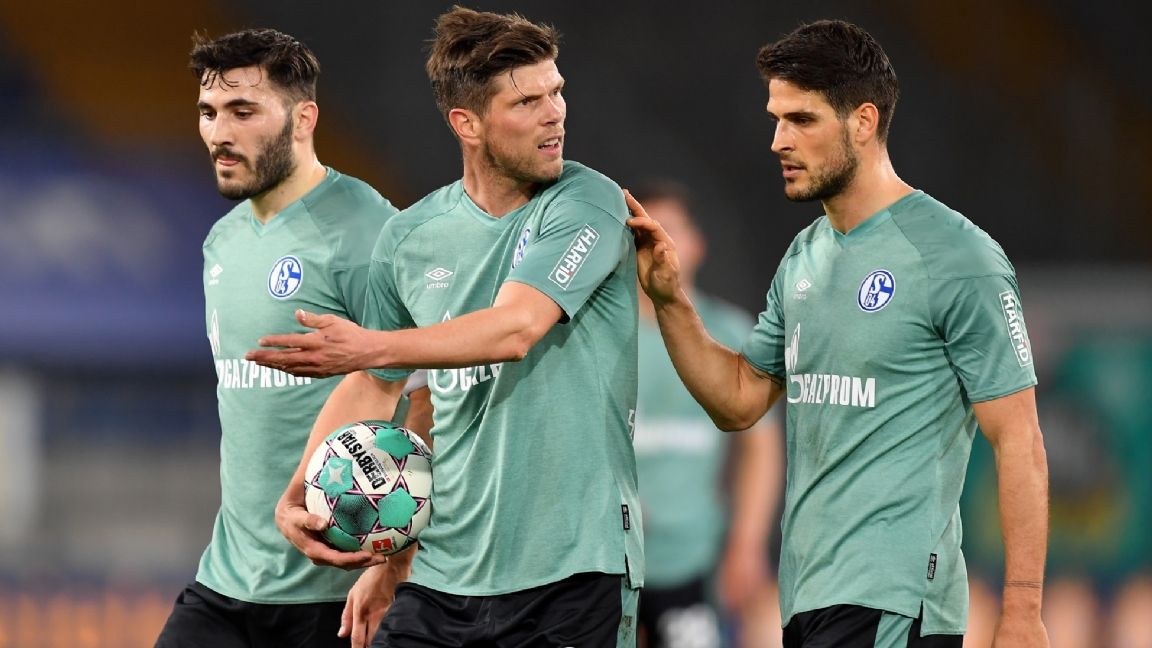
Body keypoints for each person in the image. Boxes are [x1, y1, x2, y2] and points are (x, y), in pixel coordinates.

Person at [627, 19, 1050, 648]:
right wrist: (669, 301)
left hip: (895, 599)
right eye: (776, 119)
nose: (778, 140)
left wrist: (1022, 610)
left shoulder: (957, 257)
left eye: (801, 119)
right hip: (809, 597)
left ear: (863, 122)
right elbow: (739, 400)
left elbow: (1018, 438)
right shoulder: (805, 255)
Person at [246, 7, 644, 647]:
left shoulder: (587, 201)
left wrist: (371, 346)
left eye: (557, 92)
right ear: (468, 124)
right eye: (527, 102)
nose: (555, 114)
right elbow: (377, 385)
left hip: (571, 571)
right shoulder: (409, 238)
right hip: (442, 573)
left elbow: (516, 328)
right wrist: (297, 498)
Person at [155, 28, 431, 648]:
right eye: (209, 112)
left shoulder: (367, 232)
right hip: (227, 580)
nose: (219, 133)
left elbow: (427, 395)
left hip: (335, 594)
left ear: (304, 119)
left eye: (242, 111)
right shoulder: (222, 241)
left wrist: (395, 565)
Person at [629, 181, 783, 648]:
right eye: (644, 234)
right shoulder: (596, 338)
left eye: (670, 230)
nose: (658, 243)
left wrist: (747, 543)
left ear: (697, 243)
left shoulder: (731, 332)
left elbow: (761, 447)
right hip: (607, 559)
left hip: (693, 559)